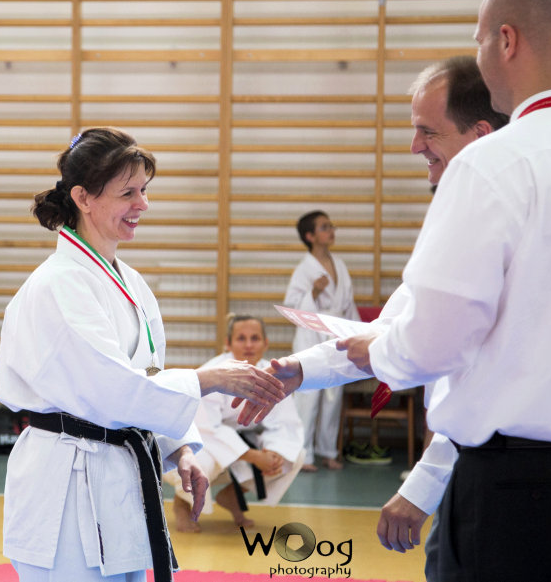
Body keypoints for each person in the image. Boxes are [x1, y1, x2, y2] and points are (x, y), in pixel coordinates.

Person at [334, 0, 551, 580]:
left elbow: (438, 341)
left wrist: (380, 353)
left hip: (520, 492)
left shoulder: (493, 164)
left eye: (480, 39)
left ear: (505, 40)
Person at [0, 127, 285, 582]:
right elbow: (112, 387)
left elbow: (147, 376)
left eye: (144, 190)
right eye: (128, 193)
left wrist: (179, 448)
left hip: (119, 477)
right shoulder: (60, 283)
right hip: (66, 490)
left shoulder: (129, 281)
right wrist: (209, 379)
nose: (143, 204)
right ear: (83, 198)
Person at [265, 56, 508, 579]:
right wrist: (301, 370)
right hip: (475, 471)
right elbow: (393, 324)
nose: (414, 146)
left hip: (504, 472)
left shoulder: (499, 216)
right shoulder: (458, 213)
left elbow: (477, 373)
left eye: (428, 131)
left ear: (480, 135)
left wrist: (424, 481)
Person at [165, 313, 304, 533]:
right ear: (228, 344)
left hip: (239, 440)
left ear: (266, 343)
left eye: (255, 338)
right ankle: (182, 505)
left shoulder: (277, 375)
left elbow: (285, 424)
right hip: (195, 440)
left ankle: (232, 496)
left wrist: (272, 451)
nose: (248, 345)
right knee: (200, 461)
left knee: (291, 455)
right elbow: (206, 429)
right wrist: (254, 456)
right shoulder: (215, 372)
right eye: (241, 338)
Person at [283, 210, 358, 471]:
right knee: (308, 395)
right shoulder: (303, 269)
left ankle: (328, 451)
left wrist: (357, 333)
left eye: (331, 226)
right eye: (325, 227)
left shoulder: (340, 265)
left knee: (333, 395)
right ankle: (303, 455)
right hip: (311, 333)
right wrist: (313, 292)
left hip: (338, 331)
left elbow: (348, 304)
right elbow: (292, 305)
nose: (331, 231)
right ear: (310, 236)